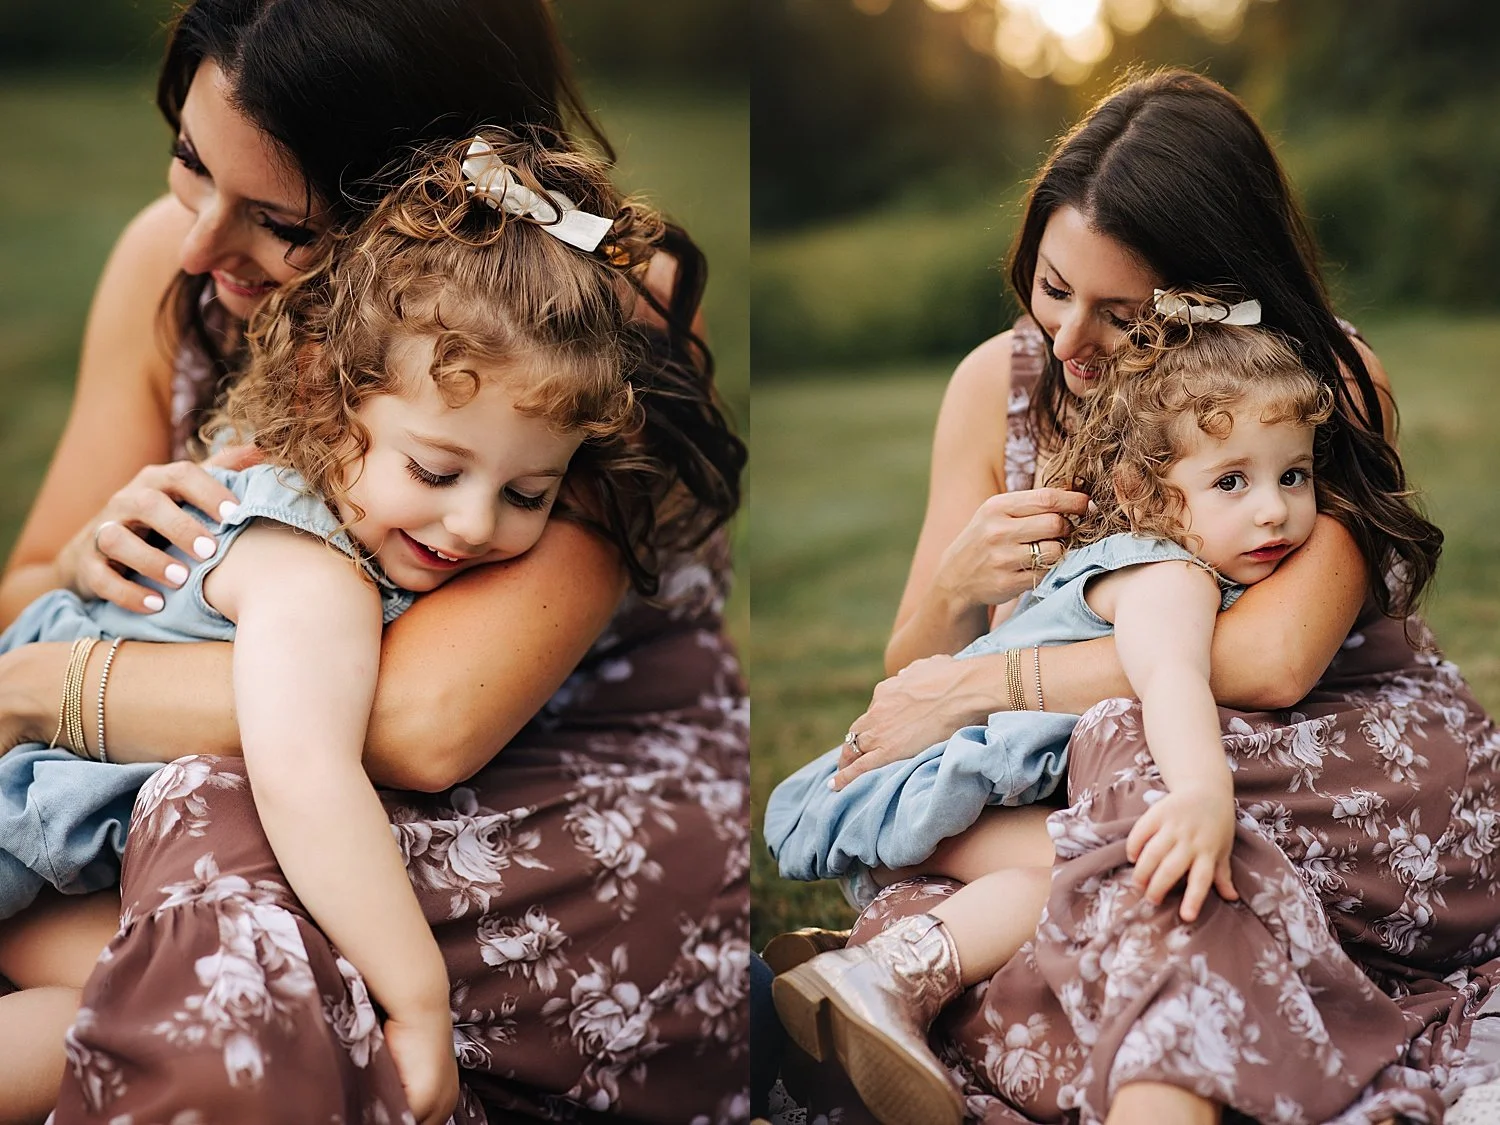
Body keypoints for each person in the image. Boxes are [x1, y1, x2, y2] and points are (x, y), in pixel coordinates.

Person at [0, 2, 748, 1122]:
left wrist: (48, 690)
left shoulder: (572, 325)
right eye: (188, 162)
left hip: (524, 789)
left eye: (280, 219)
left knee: (220, 838)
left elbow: (418, 724)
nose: (199, 244)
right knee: (212, 880)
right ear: (327, 389)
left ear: (415, 205)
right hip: (193, 781)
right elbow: (25, 594)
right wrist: (98, 559)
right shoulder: (194, 286)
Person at [768, 68, 1499, 1125]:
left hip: (1332, 765)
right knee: (1135, 817)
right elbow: (910, 673)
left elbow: (1271, 661)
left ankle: (929, 968)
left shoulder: (1318, 384)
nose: (1066, 340)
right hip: (1135, 781)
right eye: (1051, 285)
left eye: (1118, 313)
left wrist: (992, 684)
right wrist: (956, 584)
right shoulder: (996, 386)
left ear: (1212, 292)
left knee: (1117, 779)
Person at [766, 304, 1425, 1125]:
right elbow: (1173, 680)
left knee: (1074, 876)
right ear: (1145, 491)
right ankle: (891, 975)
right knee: (1095, 869)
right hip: (938, 791)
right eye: (1232, 480)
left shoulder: (1153, 556)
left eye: (1292, 475)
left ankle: (887, 961)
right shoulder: (1168, 579)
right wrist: (1200, 793)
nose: (1273, 510)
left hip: (950, 788)